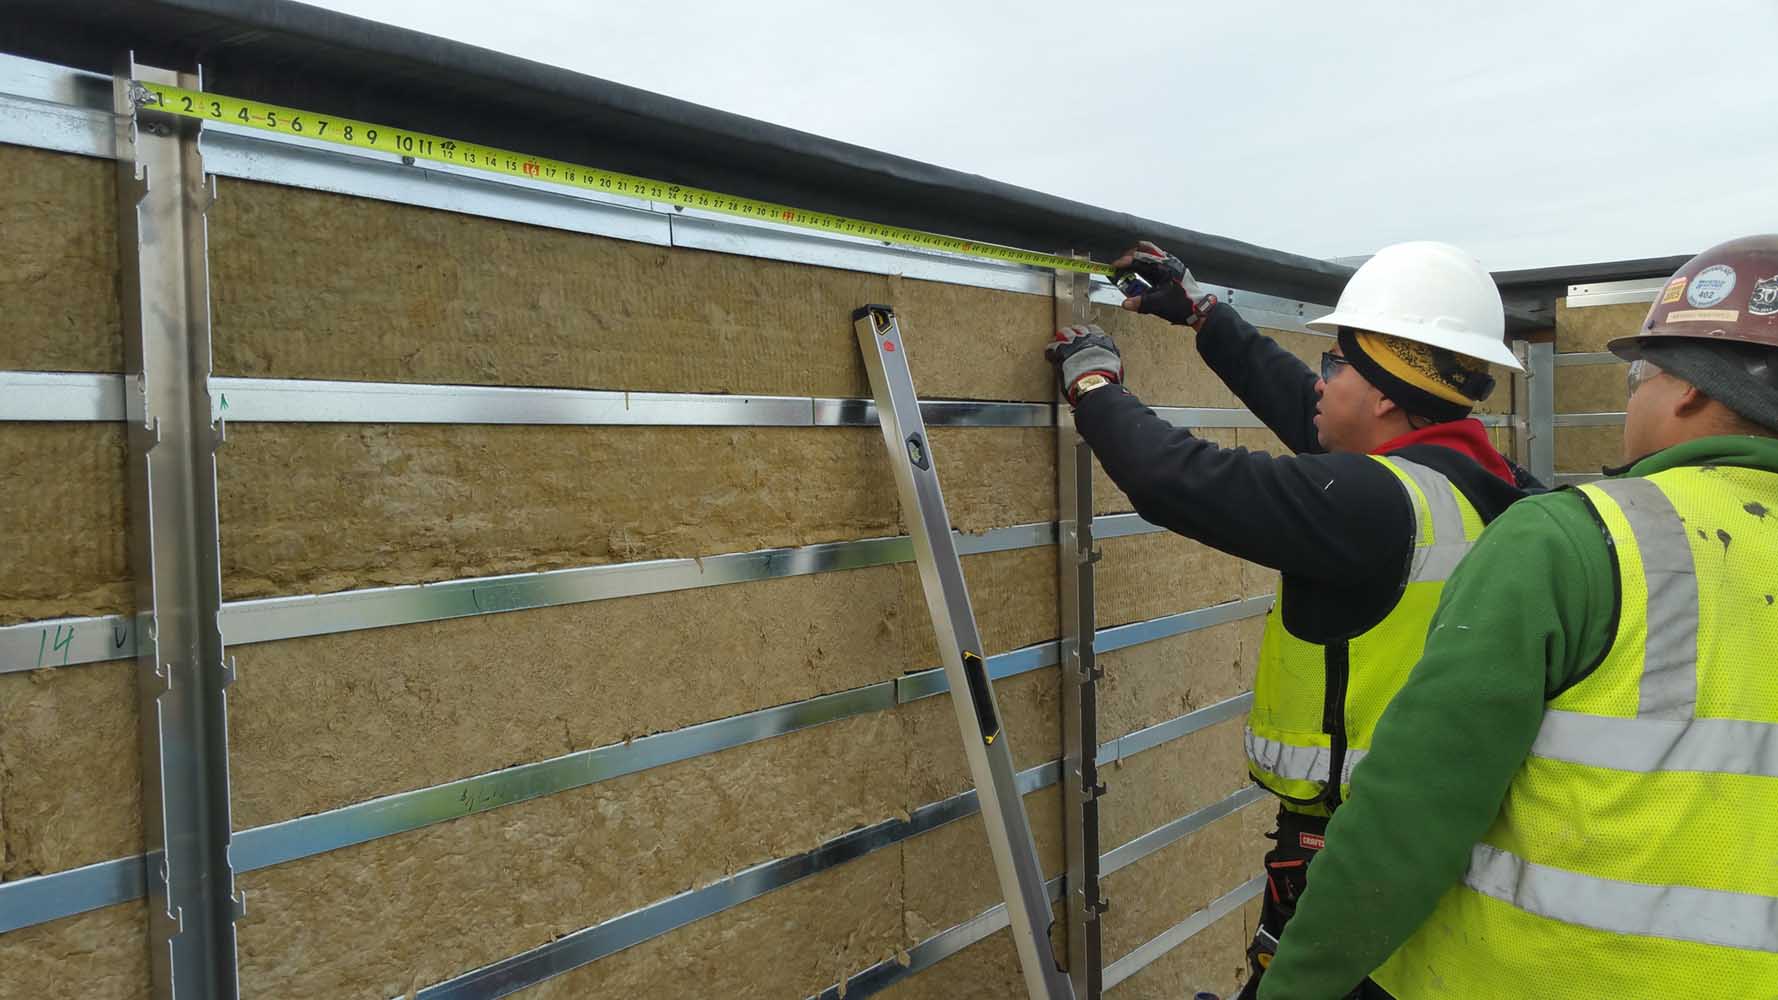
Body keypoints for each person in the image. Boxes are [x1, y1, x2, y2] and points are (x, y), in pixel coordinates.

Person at [1255, 235, 1778, 999]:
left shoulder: (1572, 541)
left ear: (1692, 391)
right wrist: (1207, 319)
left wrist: (1295, 986)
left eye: (1639, 376)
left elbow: (1410, 818)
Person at [1044, 240, 1532, 998]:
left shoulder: (1371, 505)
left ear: (1384, 397)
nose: (1320, 381)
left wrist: (1094, 385)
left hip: (1350, 854)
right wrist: (1204, 315)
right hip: (1436, 839)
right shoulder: (1493, 484)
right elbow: (1317, 418)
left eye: (1336, 364)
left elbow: (1178, 479)